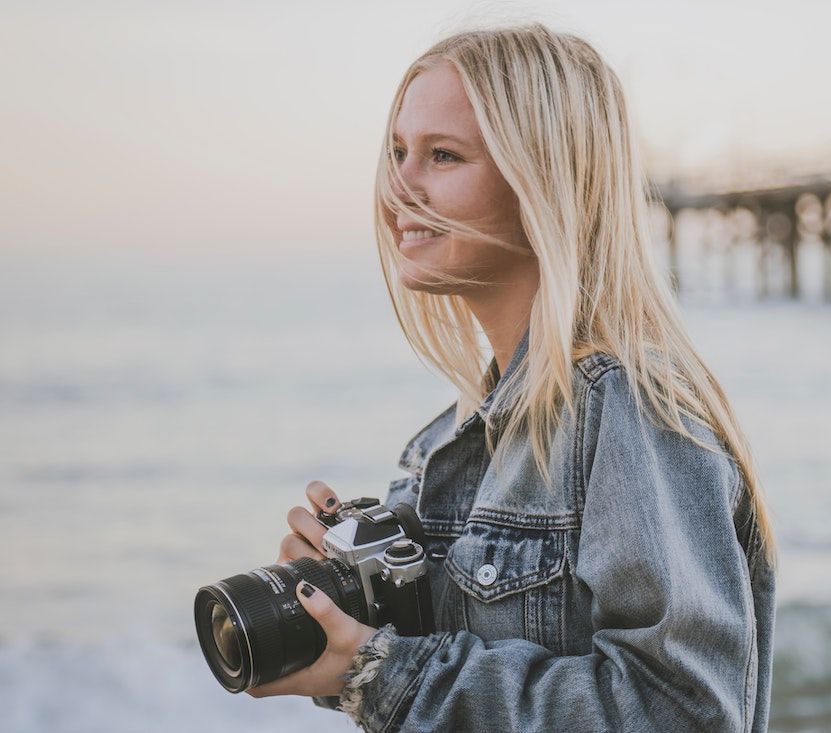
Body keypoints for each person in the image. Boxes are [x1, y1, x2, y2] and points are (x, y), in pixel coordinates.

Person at [245, 22, 778, 732]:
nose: (398, 185)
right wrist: (345, 627)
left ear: (541, 181)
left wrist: (387, 674)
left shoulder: (626, 408)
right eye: (398, 152)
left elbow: (681, 711)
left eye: (442, 155)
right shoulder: (449, 440)